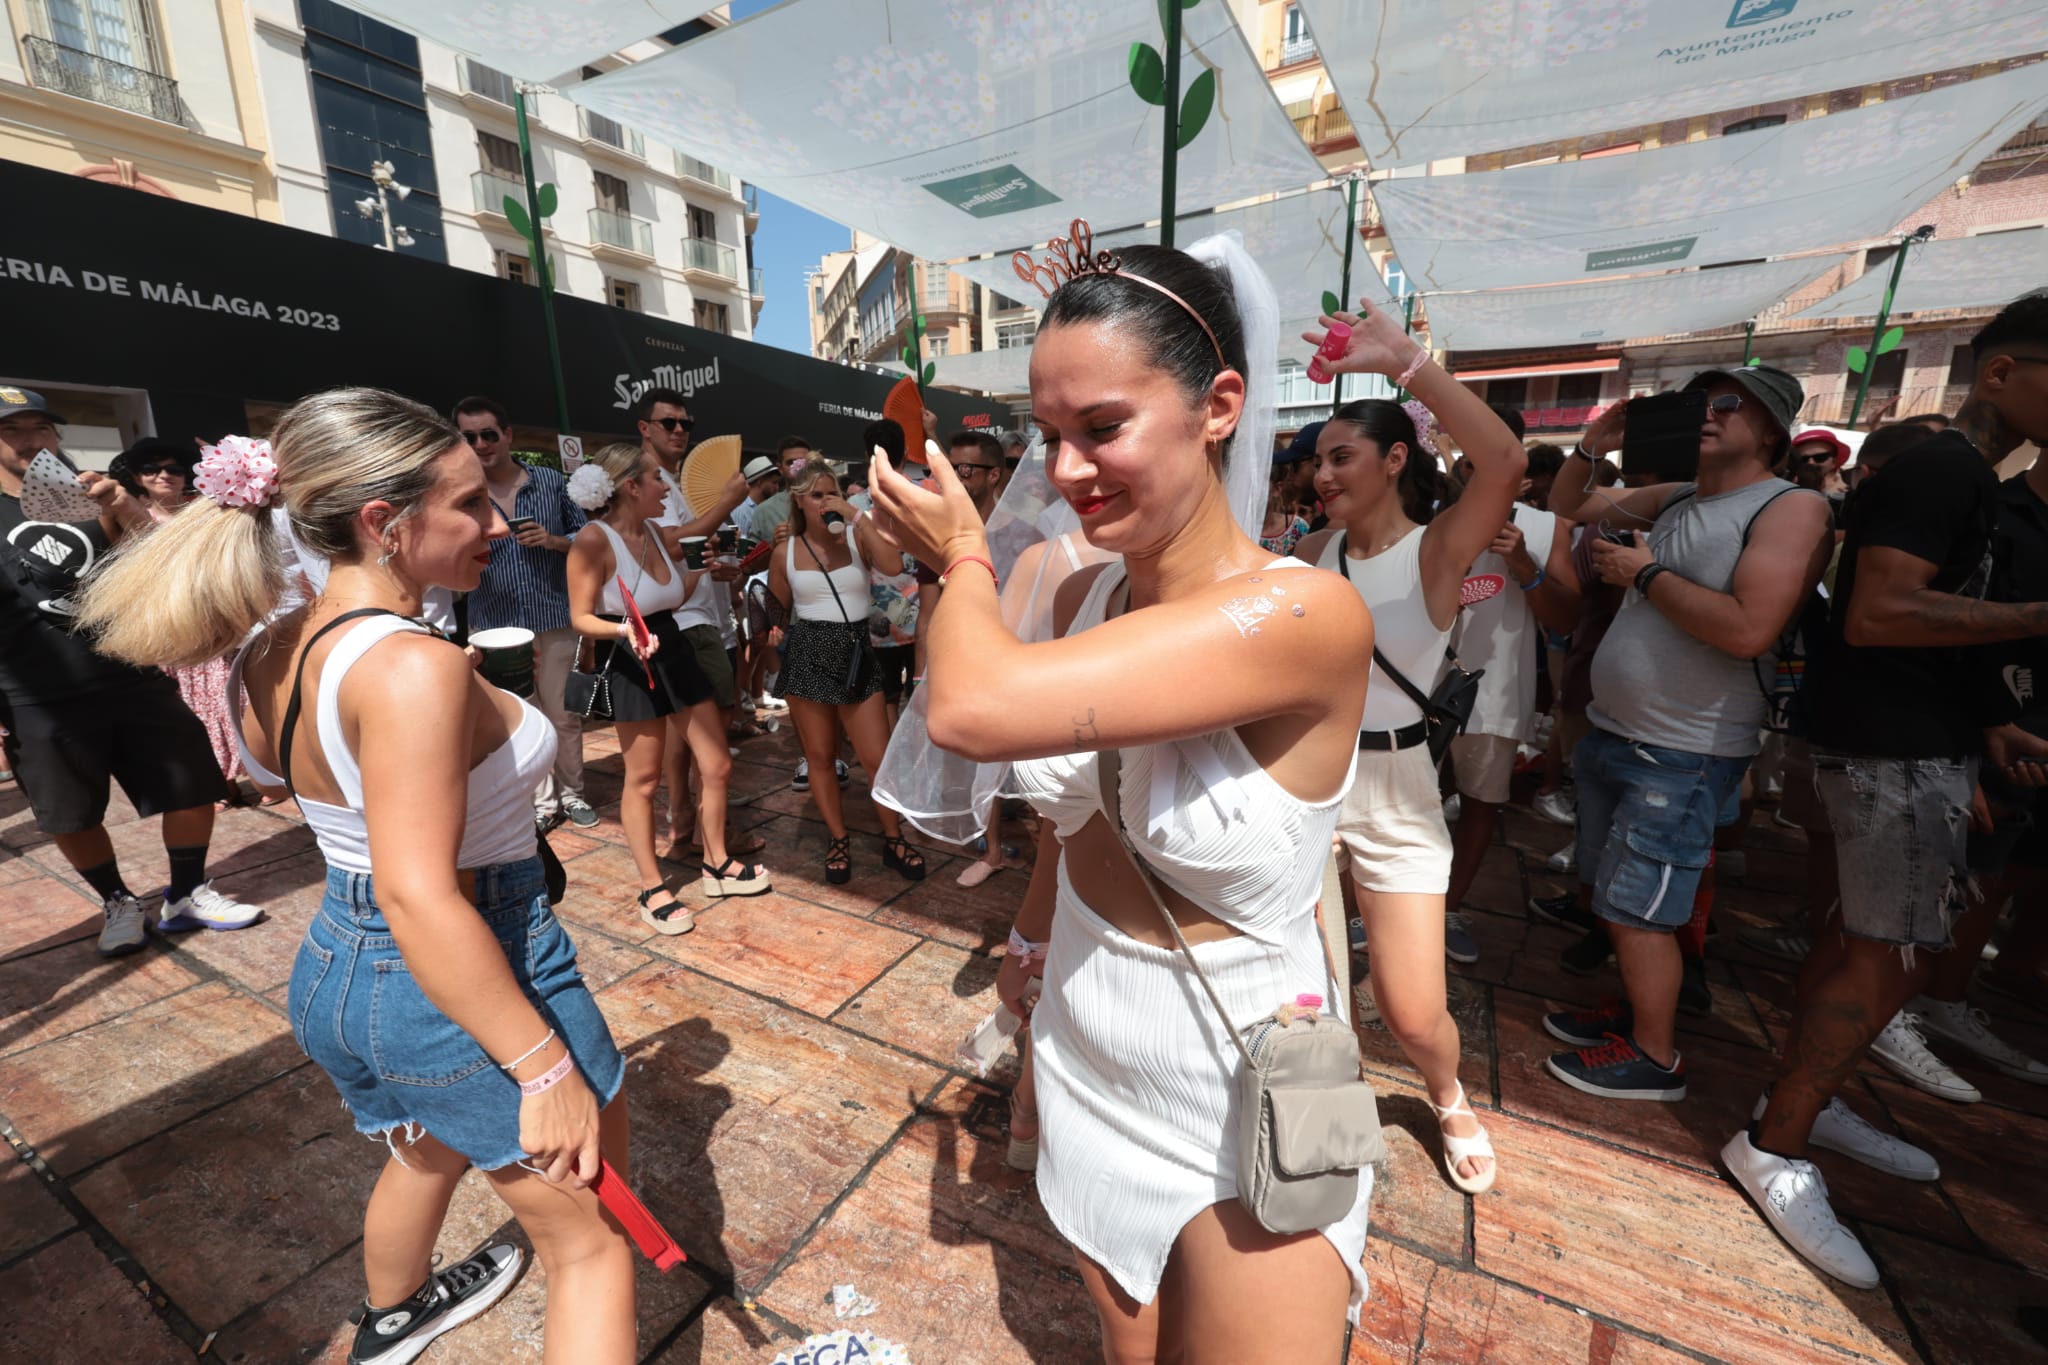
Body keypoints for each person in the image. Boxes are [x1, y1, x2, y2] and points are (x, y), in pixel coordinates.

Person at [867, 227, 1376, 1363]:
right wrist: (1032, 935)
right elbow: (1079, 812)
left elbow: (971, 709)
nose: (1064, 471)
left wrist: (958, 558)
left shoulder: (1305, 615)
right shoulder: (1086, 589)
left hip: (1252, 1066)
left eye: (1101, 428)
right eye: (1048, 436)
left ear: (1218, 405)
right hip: (1088, 1024)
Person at [75, 390, 636, 1363]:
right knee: (590, 1250)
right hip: (467, 964)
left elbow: (306, 794)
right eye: (468, 504)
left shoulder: (268, 648)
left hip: (340, 966)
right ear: (382, 523)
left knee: (425, 1141)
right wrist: (544, 1069)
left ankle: (395, 1313)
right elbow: (422, 893)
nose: (496, 525)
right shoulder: (413, 669)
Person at [1728, 295, 2048, 1288]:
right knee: (1886, 959)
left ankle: (1800, 1107)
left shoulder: (1952, 476)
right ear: (1999, 372)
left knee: (1858, 945)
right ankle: (1774, 1146)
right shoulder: (1942, 469)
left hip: (1908, 743)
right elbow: (1877, 615)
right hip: (1888, 753)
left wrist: (1978, 721)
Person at [1538, 367, 1830, 1102]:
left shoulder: (1787, 508)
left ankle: (1654, 1055)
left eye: (1728, 403)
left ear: (1771, 429)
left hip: (1683, 750)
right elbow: (1565, 505)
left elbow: (1748, 630)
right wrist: (1594, 443)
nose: (1709, 413)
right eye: (1702, 401)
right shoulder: (1676, 497)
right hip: (1619, 734)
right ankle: (1638, 1012)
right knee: (1615, 897)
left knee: (1642, 908)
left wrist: (1644, 574)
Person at [1292, 363, 1526, 1191]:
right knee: (1311, 992)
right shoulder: (1310, 551)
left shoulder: (1437, 547)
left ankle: (1447, 1091)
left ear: (1396, 459)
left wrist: (1406, 362)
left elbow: (1501, 463)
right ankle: (1327, 1107)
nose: (1321, 475)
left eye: (1341, 456)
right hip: (1309, 784)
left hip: (1398, 789)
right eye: (1316, 460)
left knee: (1413, 1007)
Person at [2, 395, 259, 952]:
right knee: (69, 817)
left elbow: (159, 561)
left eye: (41, 428)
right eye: (13, 430)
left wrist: (125, 506)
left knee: (193, 786)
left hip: (130, 672)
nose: (29, 440)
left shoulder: (91, 494)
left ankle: (187, 892)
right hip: (35, 692)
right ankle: (117, 901)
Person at [566, 443, 769, 934]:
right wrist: (624, 631)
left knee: (717, 763)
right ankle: (651, 886)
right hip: (632, 657)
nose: (668, 488)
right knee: (642, 779)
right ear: (631, 486)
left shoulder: (655, 533)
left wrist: (710, 572)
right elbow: (580, 617)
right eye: (659, 479)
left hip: (671, 647)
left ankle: (717, 861)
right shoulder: (593, 540)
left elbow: (673, 590)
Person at [767, 465, 927, 886]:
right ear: (799, 500)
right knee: (821, 758)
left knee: (877, 758)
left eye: (831, 493)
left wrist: (857, 516)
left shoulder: (856, 535)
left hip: (856, 650)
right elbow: (776, 605)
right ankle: (839, 838)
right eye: (816, 495)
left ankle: (894, 837)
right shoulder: (784, 549)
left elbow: (894, 566)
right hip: (808, 651)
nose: (825, 502)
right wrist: (770, 629)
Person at [1441, 478, 1581, 949]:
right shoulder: (1428, 511)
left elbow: (1567, 617)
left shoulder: (1543, 528)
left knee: (1480, 801)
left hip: (1492, 690)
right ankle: (1385, 906)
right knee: (1406, 800)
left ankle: (1447, 910)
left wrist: (1523, 563)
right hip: (1414, 686)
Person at [452, 396, 597, 835]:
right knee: (514, 717)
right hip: (494, 625)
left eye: (488, 434)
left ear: (508, 435)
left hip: (553, 615)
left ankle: (573, 794)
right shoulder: (460, 494)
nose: (480, 444)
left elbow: (590, 537)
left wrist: (554, 540)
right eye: (469, 437)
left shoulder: (552, 482)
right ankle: (541, 801)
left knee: (563, 713)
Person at [631, 389, 759, 867]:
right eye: (669, 422)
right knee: (713, 739)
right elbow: (666, 539)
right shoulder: (650, 481)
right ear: (644, 428)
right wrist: (727, 503)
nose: (681, 430)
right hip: (688, 623)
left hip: (696, 613)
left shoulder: (672, 479)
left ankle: (685, 822)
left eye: (686, 422)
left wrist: (721, 570)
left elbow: (683, 550)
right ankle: (713, 840)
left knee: (683, 737)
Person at [110, 437, 255, 809]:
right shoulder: (128, 516)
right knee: (193, 709)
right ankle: (219, 782)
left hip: (218, 621)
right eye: (152, 469)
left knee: (229, 702)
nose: (165, 476)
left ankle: (239, 774)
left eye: (174, 469)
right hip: (173, 624)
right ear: (137, 477)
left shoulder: (204, 510)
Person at [740, 437, 814, 541]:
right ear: (781, 468)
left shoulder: (827, 500)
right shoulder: (764, 511)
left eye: (803, 461)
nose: (798, 467)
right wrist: (773, 545)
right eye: (790, 462)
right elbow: (754, 556)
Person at [1787, 429, 1851, 493]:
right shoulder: (1786, 485)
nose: (1811, 463)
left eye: (1820, 457)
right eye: (1804, 459)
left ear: (1834, 461)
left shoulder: (1849, 489)